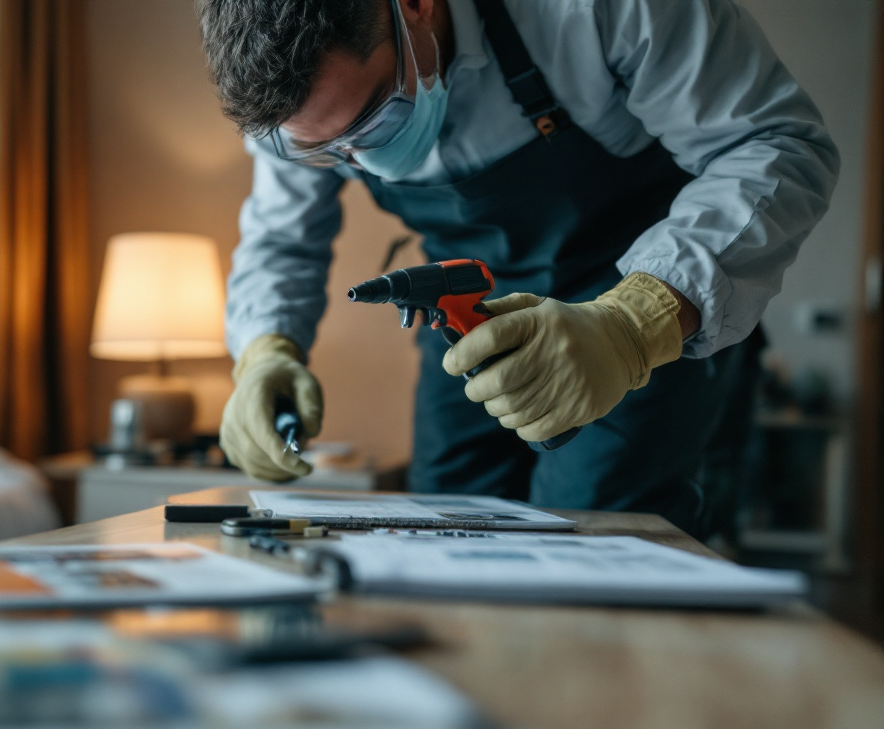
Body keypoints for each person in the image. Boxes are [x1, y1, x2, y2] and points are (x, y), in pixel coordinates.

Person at [198, 0, 839, 536]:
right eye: (326, 153)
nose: (358, 162)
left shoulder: (590, 9)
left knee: (596, 535)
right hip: (464, 307)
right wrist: (263, 354)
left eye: (375, 121)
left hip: (631, 297)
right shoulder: (290, 108)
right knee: (440, 532)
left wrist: (635, 322)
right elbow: (282, 239)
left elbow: (773, 146)